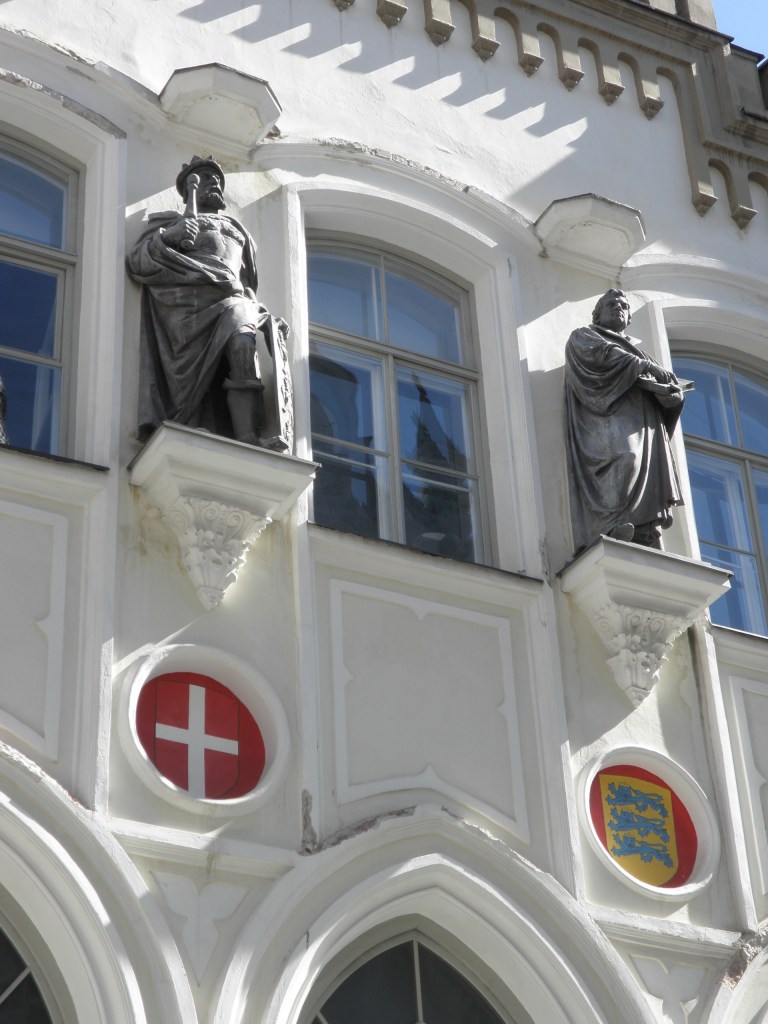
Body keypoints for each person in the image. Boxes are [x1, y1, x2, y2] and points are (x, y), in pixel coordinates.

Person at [126, 156, 292, 450]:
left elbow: (247, 283)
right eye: (205, 177)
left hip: (233, 299)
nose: (214, 181)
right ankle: (189, 422)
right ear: (189, 188)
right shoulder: (172, 223)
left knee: (243, 348)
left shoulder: (240, 232)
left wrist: (263, 314)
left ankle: (247, 436)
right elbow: (140, 261)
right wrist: (170, 237)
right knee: (191, 374)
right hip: (188, 305)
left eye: (217, 178)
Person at [564, 289, 686, 553]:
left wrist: (672, 396)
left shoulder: (642, 355)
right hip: (608, 419)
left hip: (645, 426)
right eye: (611, 304)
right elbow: (603, 355)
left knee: (644, 466)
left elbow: (663, 398)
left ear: (629, 317)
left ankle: (642, 531)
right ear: (598, 314)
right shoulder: (585, 337)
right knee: (627, 458)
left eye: (624, 305)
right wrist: (645, 367)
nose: (618, 307)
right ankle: (610, 526)